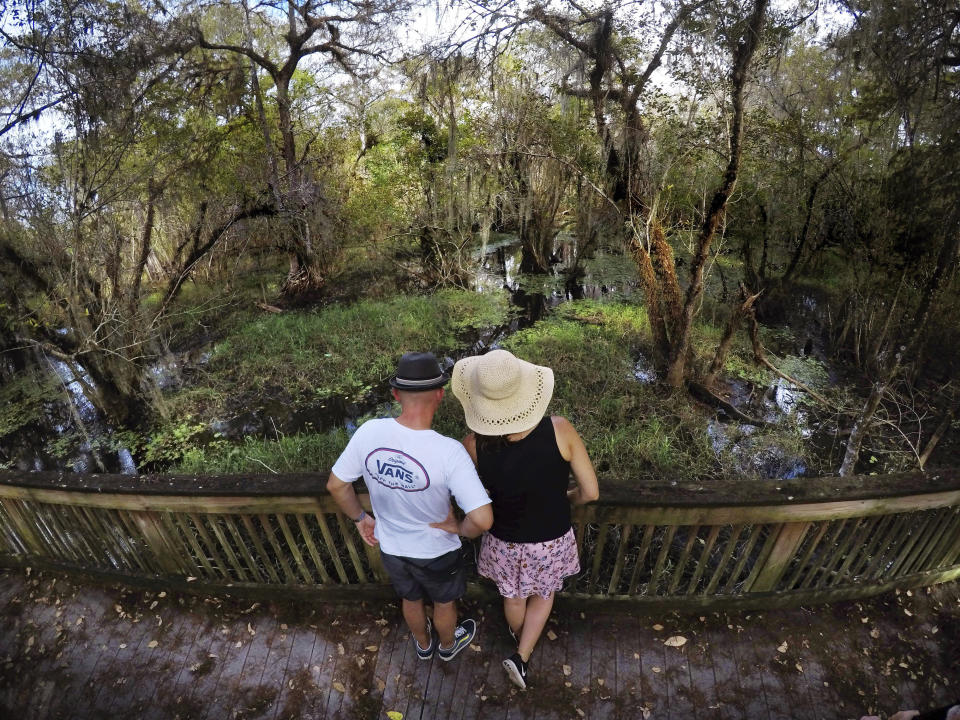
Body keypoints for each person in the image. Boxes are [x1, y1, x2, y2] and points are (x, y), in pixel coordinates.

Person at [447, 348, 599, 690]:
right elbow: (591, 492)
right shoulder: (560, 430)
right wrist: (566, 498)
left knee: (513, 597)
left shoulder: (471, 446)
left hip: (503, 540)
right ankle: (522, 655)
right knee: (544, 594)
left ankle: (519, 639)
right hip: (551, 539)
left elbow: (462, 495)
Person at [326, 351, 493, 662]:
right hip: (437, 551)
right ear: (441, 395)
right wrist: (459, 528)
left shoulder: (369, 432)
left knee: (410, 598)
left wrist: (360, 518)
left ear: (396, 394)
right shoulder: (449, 452)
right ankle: (446, 647)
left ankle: (423, 644)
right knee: (444, 603)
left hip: (391, 546)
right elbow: (482, 519)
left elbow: (336, 485)